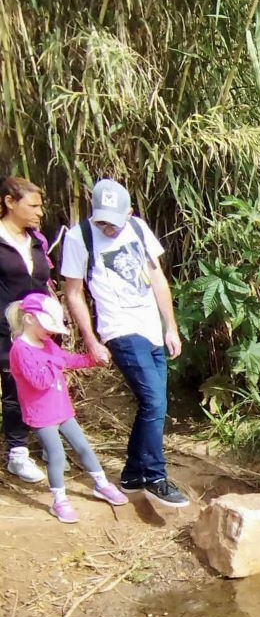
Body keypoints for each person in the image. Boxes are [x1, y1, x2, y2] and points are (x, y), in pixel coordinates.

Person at [61, 179, 189, 507]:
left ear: (129, 213)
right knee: (154, 402)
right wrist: (91, 340)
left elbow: (158, 278)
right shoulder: (80, 237)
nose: (107, 228)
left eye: (113, 222)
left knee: (155, 403)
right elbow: (74, 293)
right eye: (101, 221)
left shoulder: (138, 228)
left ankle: (133, 474)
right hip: (118, 329)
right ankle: (156, 477)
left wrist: (170, 327)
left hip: (150, 328)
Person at [6, 293, 129, 523]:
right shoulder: (21, 349)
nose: (51, 332)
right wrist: (55, 363)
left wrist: (91, 359)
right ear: (30, 319)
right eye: (47, 326)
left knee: (83, 446)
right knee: (57, 455)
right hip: (41, 414)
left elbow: (66, 359)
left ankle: (101, 484)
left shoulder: (47, 343)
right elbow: (39, 381)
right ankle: (59, 500)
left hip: (61, 408)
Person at [0, 176, 52, 483]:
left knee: (41, 384)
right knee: (14, 390)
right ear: (9, 202)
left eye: (41, 205)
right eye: (33, 205)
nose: (40, 212)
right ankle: (17, 454)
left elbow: (44, 282)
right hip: (5, 329)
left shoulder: (37, 240)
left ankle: (48, 443)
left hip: (37, 329)